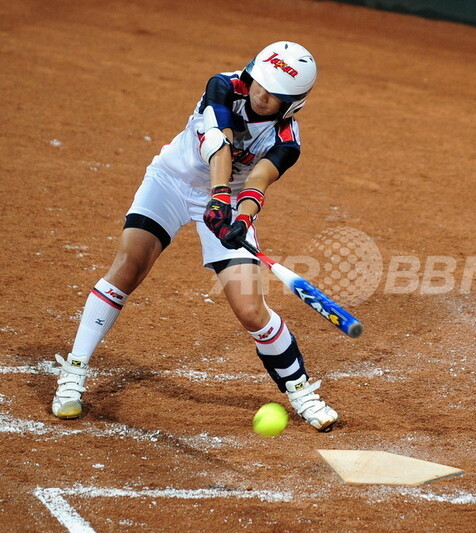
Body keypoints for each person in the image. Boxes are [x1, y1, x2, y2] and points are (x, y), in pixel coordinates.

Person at [51, 41, 339, 432]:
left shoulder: (287, 140)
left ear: (292, 104)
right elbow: (218, 143)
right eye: (259, 82)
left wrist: (241, 217)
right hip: (171, 182)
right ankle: (74, 373)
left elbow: (258, 179)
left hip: (231, 201)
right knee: (128, 268)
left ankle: (301, 390)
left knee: (251, 310)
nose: (260, 93)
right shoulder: (222, 85)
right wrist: (219, 196)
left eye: (273, 95)